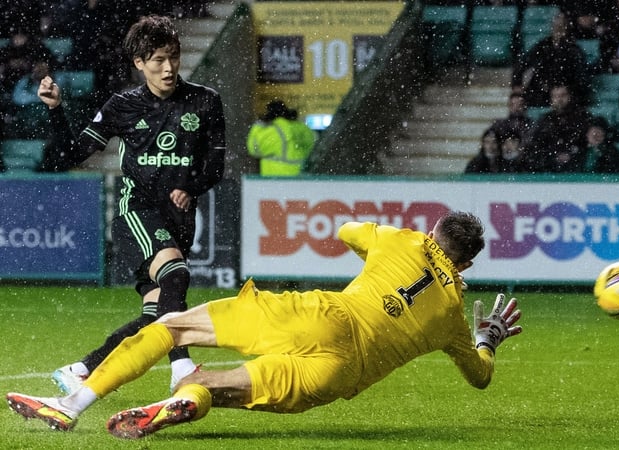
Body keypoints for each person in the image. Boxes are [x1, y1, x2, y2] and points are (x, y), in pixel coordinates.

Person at [6, 211, 523, 440]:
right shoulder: (453, 316)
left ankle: (71, 404)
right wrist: (488, 339)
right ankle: (182, 402)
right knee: (204, 384)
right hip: (340, 378)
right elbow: (480, 375)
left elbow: (345, 230)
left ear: (432, 230)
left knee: (175, 325)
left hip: (323, 321)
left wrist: (401, 238)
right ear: (469, 267)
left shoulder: (402, 240)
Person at [36, 15, 226, 396]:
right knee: (175, 275)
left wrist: (191, 185)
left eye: (173, 56)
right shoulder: (123, 105)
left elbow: (215, 167)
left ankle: (81, 369)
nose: (168, 68)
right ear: (139, 63)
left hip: (178, 221)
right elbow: (72, 154)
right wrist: (56, 110)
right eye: (157, 59)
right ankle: (182, 369)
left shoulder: (206, 102)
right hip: (135, 214)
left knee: (155, 318)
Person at [511, 11, 591, 107]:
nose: (558, 29)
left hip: (566, 93)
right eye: (556, 25)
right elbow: (523, 63)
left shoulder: (574, 50)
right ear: (552, 27)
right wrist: (517, 83)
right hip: (542, 93)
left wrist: (566, 89)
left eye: (562, 25)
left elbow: (581, 77)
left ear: (567, 27)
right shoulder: (542, 46)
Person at [246, 100, 316, 176]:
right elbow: (312, 142)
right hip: (300, 177)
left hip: (275, 178)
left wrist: (257, 126)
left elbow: (253, 149)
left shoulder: (271, 131)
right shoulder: (301, 128)